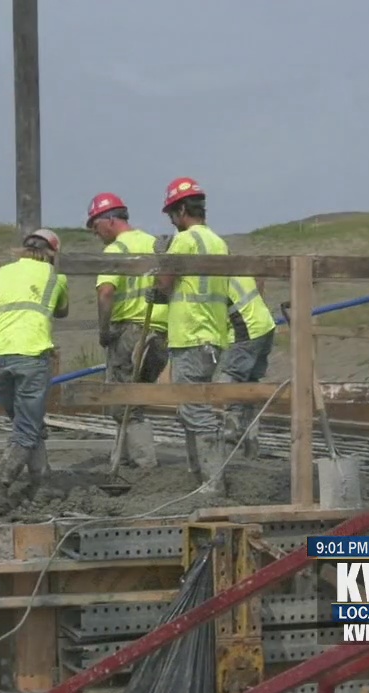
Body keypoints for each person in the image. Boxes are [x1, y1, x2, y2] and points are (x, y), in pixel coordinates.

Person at [0, 228, 69, 515]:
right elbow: (61, 311)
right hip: (32, 357)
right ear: (52, 254)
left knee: (25, 424)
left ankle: (43, 482)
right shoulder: (55, 278)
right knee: (27, 429)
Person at [153, 177, 232, 493]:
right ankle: (199, 474)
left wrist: (162, 259)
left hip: (191, 333)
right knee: (191, 406)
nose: (172, 221)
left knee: (195, 409)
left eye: (172, 214)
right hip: (212, 333)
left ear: (181, 210)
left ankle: (212, 482)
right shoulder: (219, 242)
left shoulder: (184, 242)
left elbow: (165, 284)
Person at [86, 192, 170, 471]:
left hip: (131, 333)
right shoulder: (153, 244)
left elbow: (106, 292)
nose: (96, 234)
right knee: (134, 399)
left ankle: (145, 465)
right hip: (160, 333)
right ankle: (122, 460)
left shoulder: (116, 250)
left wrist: (103, 330)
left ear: (109, 221)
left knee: (126, 403)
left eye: (96, 226)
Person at [218, 276, 276, 459]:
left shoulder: (211, 276)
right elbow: (259, 280)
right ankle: (250, 447)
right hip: (264, 326)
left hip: (246, 330)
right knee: (250, 385)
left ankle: (231, 449)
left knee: (230, 385)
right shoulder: (236, 268)